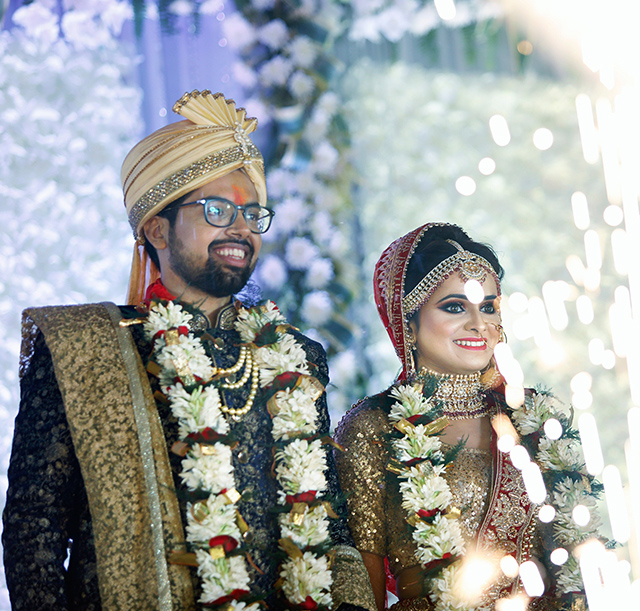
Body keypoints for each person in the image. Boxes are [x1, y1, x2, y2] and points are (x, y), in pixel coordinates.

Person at [3, 90, 374, 611]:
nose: (241, 228)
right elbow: (34, 528)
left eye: (251, 213)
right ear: (156, 227)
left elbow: (331, 526)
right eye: (218, 209)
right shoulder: (85, 348)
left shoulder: (296, 356)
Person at [334, 223, 608, 611]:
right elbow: (363, 577)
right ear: (407, 323)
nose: (479, 324)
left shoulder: (536, 421)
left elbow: (575, 558)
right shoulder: (375, 426)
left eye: (488, 307)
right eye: (454, 306)